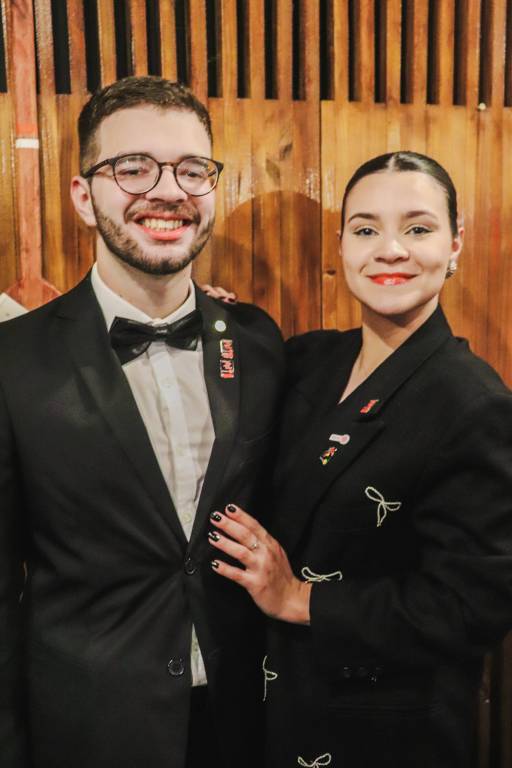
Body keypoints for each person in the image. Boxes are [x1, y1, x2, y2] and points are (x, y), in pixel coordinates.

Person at [0, 76, 284, 768]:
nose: (168, 190)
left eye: (191, 169)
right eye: (133, 168)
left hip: (244, 719)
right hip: (85, 726)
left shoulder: (257, 340)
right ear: (83, 196)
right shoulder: (13, 358)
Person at [208, 152, 512, 768]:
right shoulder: (307, 360)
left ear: (455, 244)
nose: (390, 250)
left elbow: (474, 605)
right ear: (342, 245)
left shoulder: (475, 403)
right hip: (264, 707)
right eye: (366, 229)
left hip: (382, 731)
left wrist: (300, 598)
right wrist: (205, 321)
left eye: (418, 228)